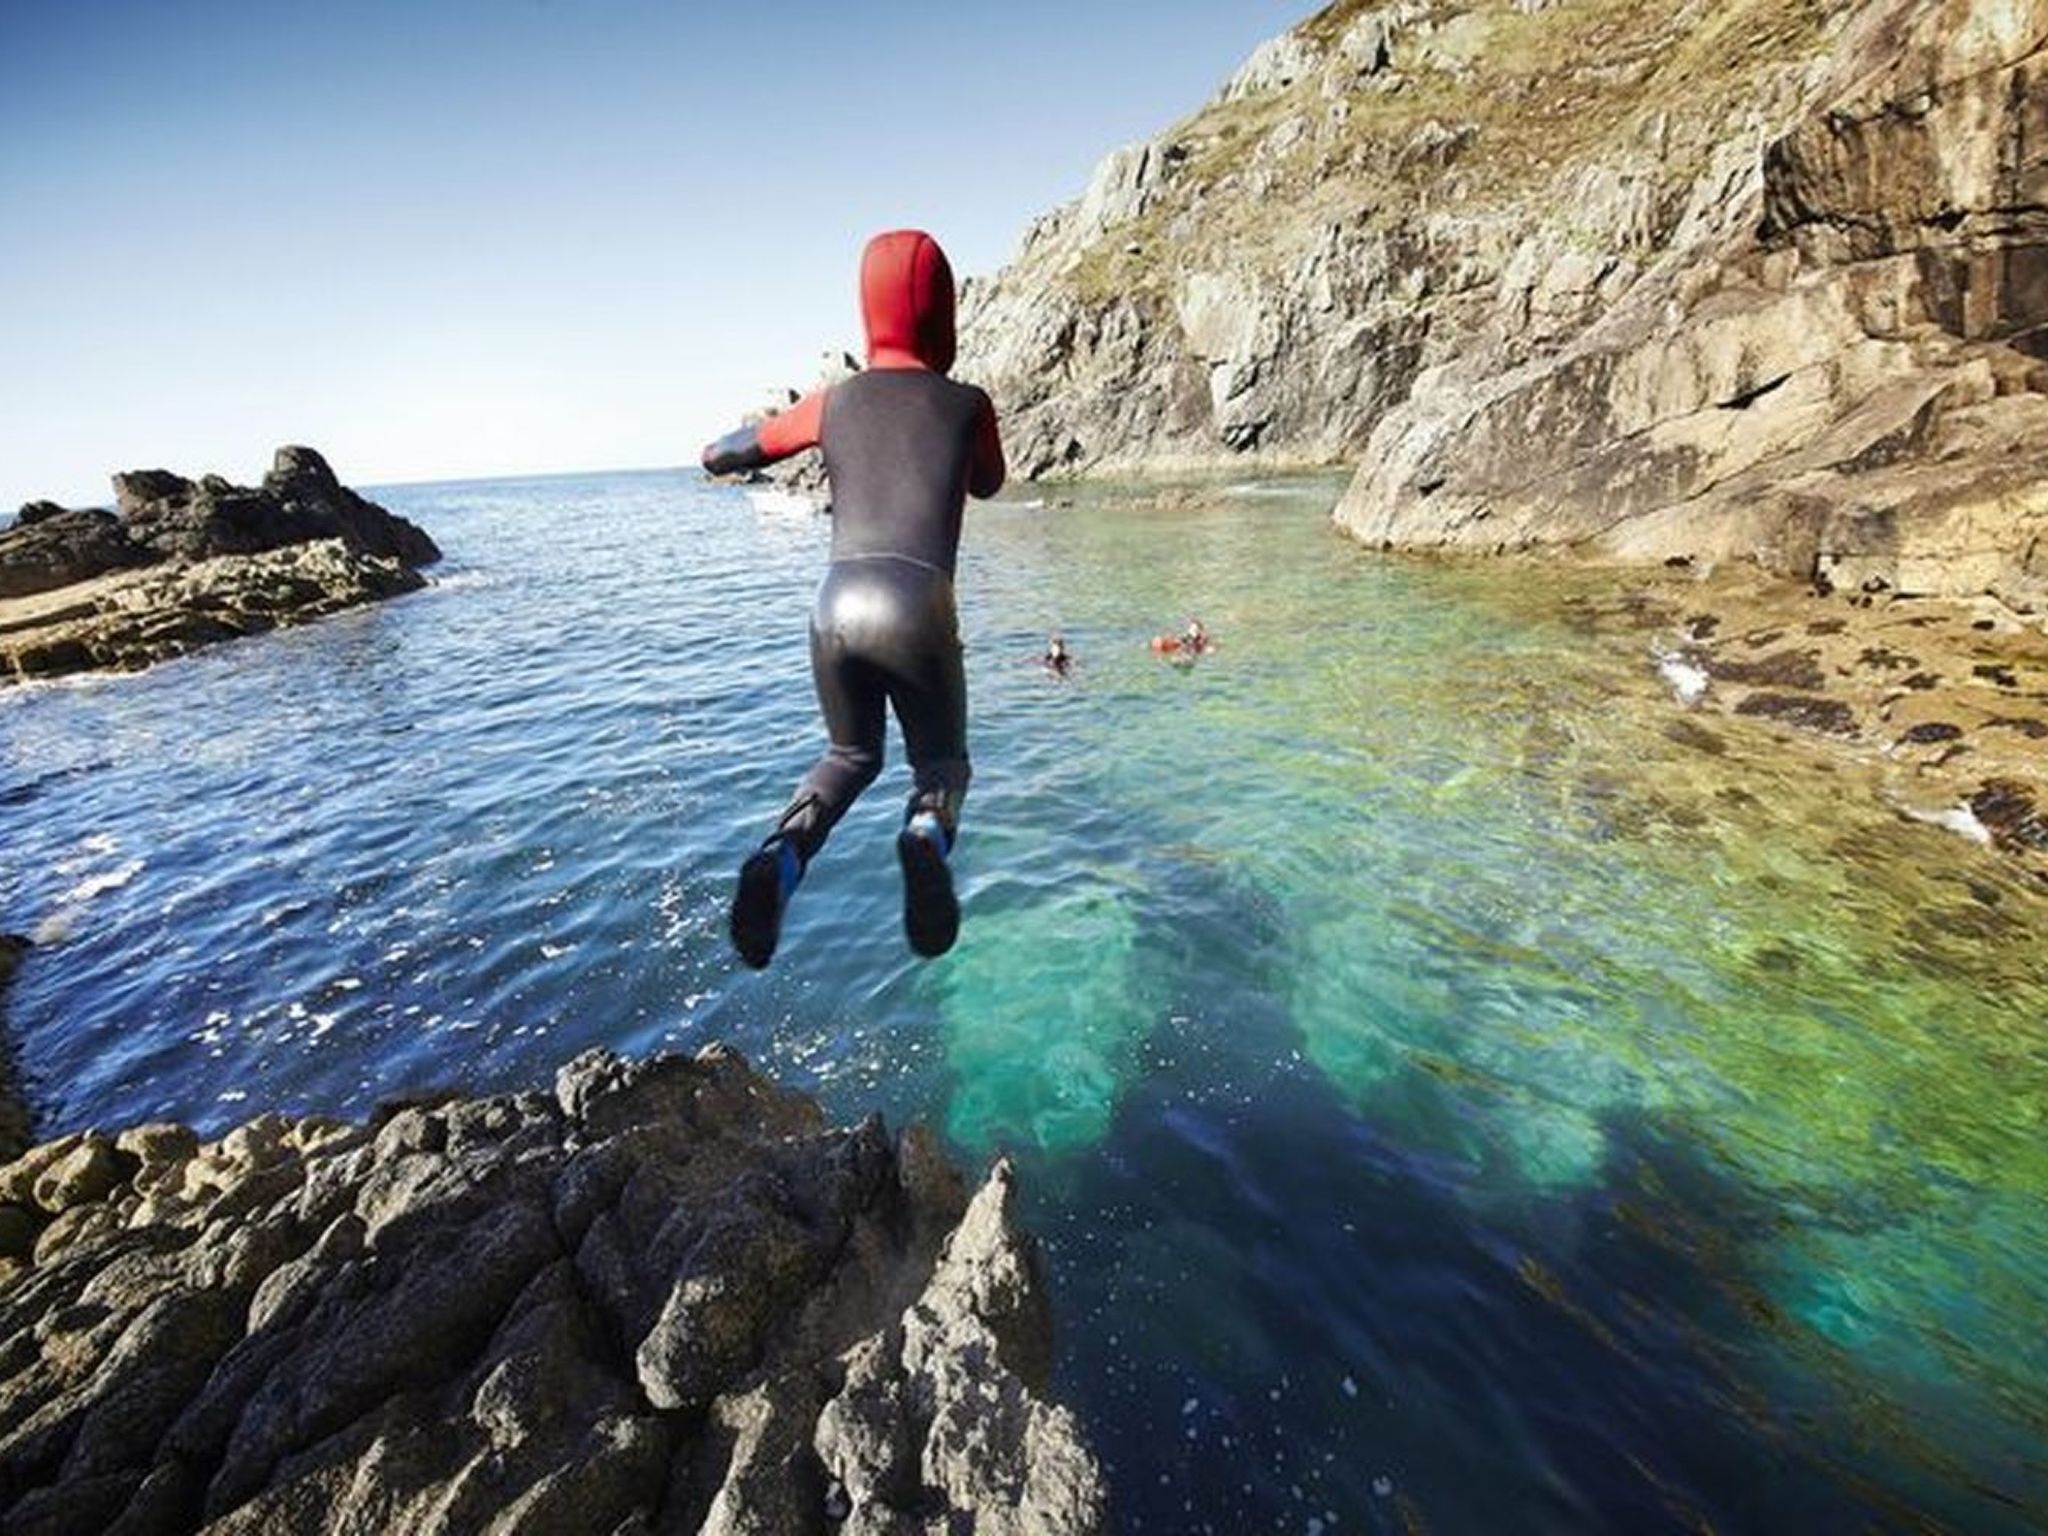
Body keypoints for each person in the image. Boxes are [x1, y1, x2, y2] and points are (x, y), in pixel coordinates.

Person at [701, 229, 1006, 968]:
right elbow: (989, 482)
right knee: (939, 768)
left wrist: (738, 441)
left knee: (847, 756)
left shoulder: (833, 403)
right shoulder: (966, 403)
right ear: (944, 314)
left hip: (835, 606)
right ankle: (924, 836)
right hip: (918, 604)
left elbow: (726, 453)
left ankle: (779, 860)